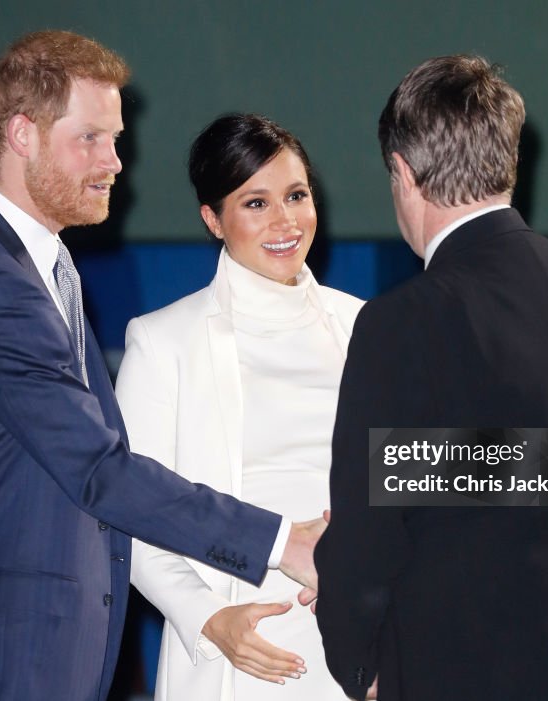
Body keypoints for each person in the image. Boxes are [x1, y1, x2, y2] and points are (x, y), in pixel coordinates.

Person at [0, 32, 323, 701]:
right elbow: (101, 471)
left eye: (116, 139)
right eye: (91, 138)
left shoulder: (35, 265)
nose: (116, 162)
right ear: (22, 135)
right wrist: (280, 540)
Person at [313, 55, 548, 701]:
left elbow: (365, 538)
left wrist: (360, 663)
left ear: (403, 172)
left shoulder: (402, 320)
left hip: (480, 666)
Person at [116, 114, 362, 700]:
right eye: (256, 203)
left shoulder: (363, 325)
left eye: (296, 196)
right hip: (237, 655)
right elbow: (133, 511)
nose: (285, 222)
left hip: (355, 645)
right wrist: (207, 619)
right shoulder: (163, 341)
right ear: (213, 219)